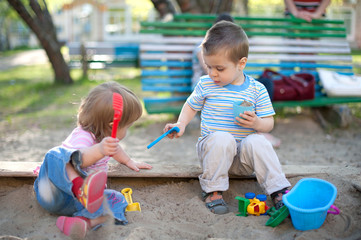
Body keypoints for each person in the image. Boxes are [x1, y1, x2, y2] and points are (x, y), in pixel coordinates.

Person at [163, 21, 291, 214]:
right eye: (209, 66)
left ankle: (278, 190)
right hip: (214, 156)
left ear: (241, 63)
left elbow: (269, 123)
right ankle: (213, 190)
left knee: (258, 141)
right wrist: (181, 124)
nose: (213, 73)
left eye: (220, 69)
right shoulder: (206, 84)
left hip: (244, 160)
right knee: (222, 138)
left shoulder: (257, 90)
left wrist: (257, 123)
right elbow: (190, 105)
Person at [34, 81, 152, 238]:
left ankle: (84, 222)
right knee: (59, 155)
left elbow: (116, 149)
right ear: (112, 125)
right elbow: (80, 159)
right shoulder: (83, 137)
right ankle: (81, 189)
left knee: (117, 199)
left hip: (78, 205)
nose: (128, 130)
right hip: (55, 193)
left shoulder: (105, 138)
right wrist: (100, 150)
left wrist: (129, 161)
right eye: (128, 126)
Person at [192, 13, 281, 148]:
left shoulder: (234, 47)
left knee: (265, 83)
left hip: (229, 81)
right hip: (214, 85)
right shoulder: (205, 47)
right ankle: (257, 132)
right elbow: (210, 71)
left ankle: (256, 126)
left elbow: (235, 72)